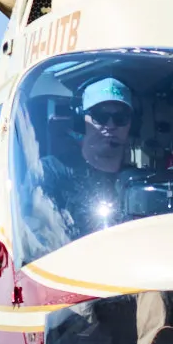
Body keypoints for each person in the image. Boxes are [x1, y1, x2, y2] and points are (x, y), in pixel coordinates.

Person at [50, 78, 138, 232]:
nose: (110, 126)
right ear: (81, 121)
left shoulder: (138, 183)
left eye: (120, 118)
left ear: (131, 124)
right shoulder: (52, 173)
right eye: (100, 116)